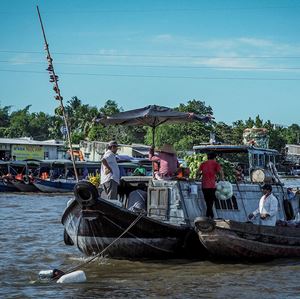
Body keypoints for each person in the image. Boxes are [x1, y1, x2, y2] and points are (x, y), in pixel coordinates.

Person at [198, 153, 224, 218]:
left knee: (207, 201)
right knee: (211, 201)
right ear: (214, 158)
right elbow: (221, 172)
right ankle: (210, 216)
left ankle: (209, 215)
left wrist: (201, 174)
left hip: (204, 185)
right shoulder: (215, 164)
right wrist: (222, 179)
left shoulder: (203, 164)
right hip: (212, 186)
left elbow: (197, 172)